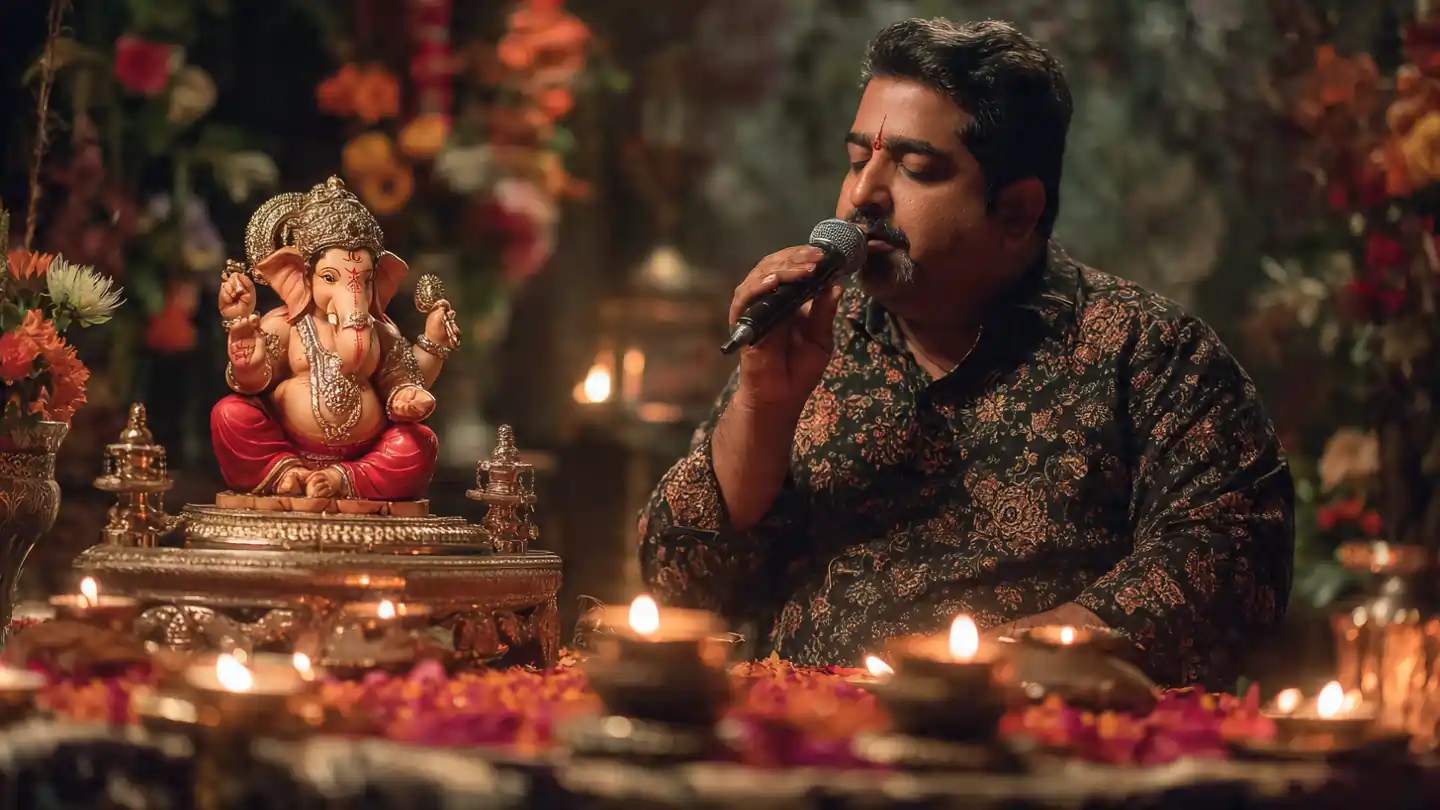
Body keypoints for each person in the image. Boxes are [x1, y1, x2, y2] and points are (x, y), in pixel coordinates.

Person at [636, 18, 1294, 688]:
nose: (863, 195)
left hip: (1026, 734)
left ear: (1016, 212)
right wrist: (762, 407)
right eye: (858, 160)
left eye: (916, 168)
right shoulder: (809, 334)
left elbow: (1229, 562)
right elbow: (677, 586)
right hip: (803, 729)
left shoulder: (1150, 353)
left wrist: (977, 673)